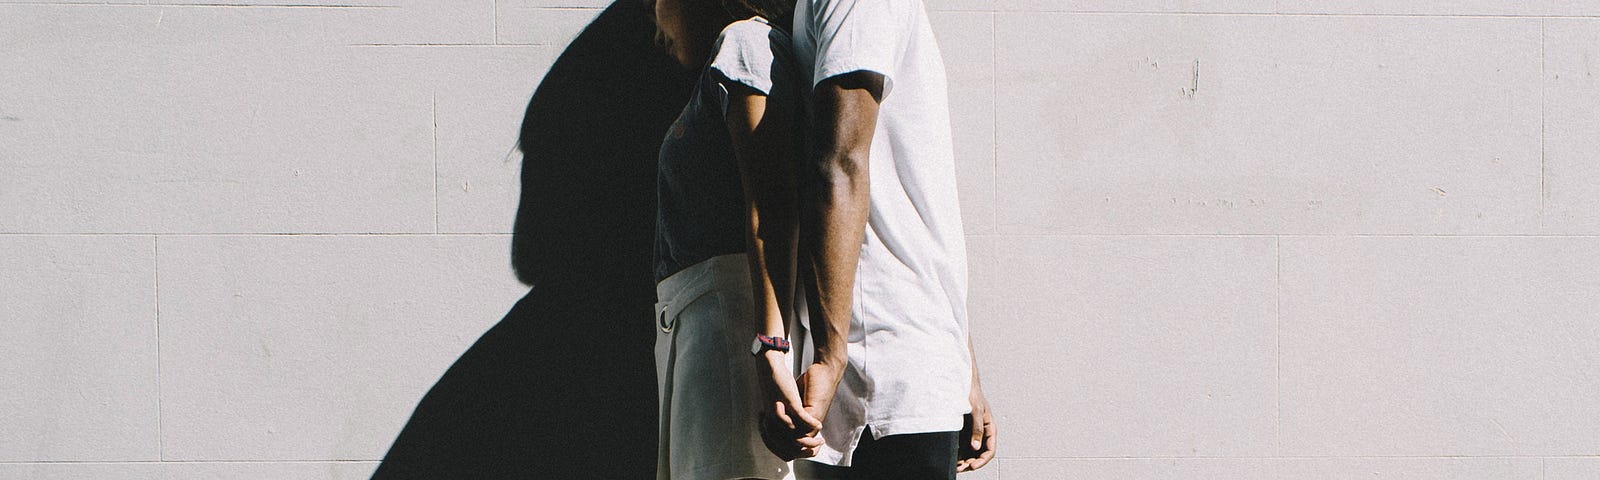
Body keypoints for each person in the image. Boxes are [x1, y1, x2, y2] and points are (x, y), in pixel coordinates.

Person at [754, 0, 998, 478]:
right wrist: (830, 354)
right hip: (881, 361)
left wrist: (960, 365)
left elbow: (870, 176)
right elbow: (845, 166)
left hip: (896, 358)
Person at [649, 0, 819, 478]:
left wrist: (770, 345)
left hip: (730, 331)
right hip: (708, 333)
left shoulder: (745, 43)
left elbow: (773, 205)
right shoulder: (737, 55)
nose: (654, 27)